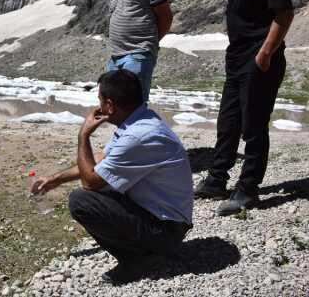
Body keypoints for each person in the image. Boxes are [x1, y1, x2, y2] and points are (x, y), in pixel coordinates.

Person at [31, 69, 193, 284]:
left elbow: (90, 182)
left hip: (166, 230)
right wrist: (55, 180)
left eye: (99, 100)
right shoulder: (142, 119)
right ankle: (147, 250)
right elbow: (102, 159)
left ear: (109, 105)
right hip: (167, 220)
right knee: (104, 186)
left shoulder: (138, 135)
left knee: (82, 200)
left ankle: (137, 260)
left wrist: (84, 135)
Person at [194, 0, 295, 216]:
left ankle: (248, 190)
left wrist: (265, 53)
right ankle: (217, 178)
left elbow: (284, 14)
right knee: (228, 123)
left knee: (253, 125)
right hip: (236, 58)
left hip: (259, 59)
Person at [101, 0, 174, 102]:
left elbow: (166, 17)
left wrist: (148, 44)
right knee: (113, 103)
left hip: (138, 55)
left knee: (133, 104)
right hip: (115, 57)